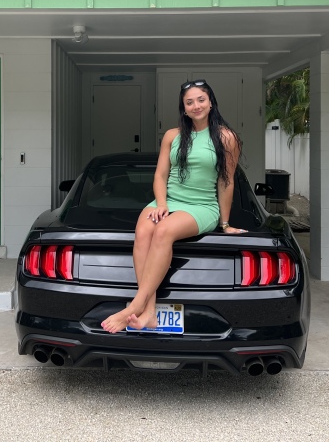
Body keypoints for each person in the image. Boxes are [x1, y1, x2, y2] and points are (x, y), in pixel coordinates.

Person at [101, 79, 246, 334]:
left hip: (201, 205)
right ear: (184, 108)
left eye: (201, 100)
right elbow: (160, 175)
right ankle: (149, 313)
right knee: (143, 230)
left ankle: (135, 305)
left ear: (211, 103)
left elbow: (226, 181)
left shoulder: (227, 137)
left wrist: (225, 224)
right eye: (189, 102)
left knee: (163, 230)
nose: (196, 105)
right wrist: (162, 204)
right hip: (168, 201)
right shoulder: (172, 136)